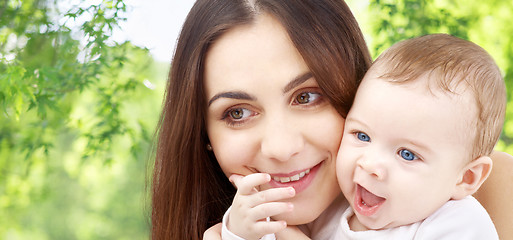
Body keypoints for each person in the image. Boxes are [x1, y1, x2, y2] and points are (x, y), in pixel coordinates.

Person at [151, 0, 513, 239]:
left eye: (307, 96)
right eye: (238, 113)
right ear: (203, 135)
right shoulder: (337, 213)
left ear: (352, 89)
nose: (281, 147)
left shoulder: (470, 208)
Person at [335, 33, 503, 239]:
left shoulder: (459, 222)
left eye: (407, 154)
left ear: (466, 177)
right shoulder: (332, 208)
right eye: (362, 136)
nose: (370, 165)